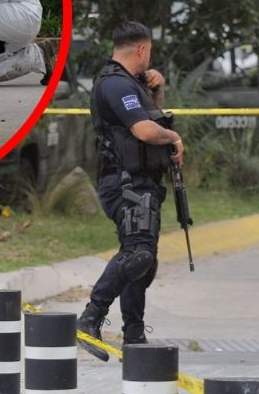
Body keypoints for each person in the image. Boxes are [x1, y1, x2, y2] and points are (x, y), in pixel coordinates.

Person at [76, 21, 184, 361]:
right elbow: (145, 130)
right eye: (149, 51)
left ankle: (134, 334)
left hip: (142, 182)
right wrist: (175, 139)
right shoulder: (114, 84)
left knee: (143, 259)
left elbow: (154, 116)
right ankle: (89, 319)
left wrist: (157, 89)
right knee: (138, 254)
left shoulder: (133, 85)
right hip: (125, 183)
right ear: (141, 49)